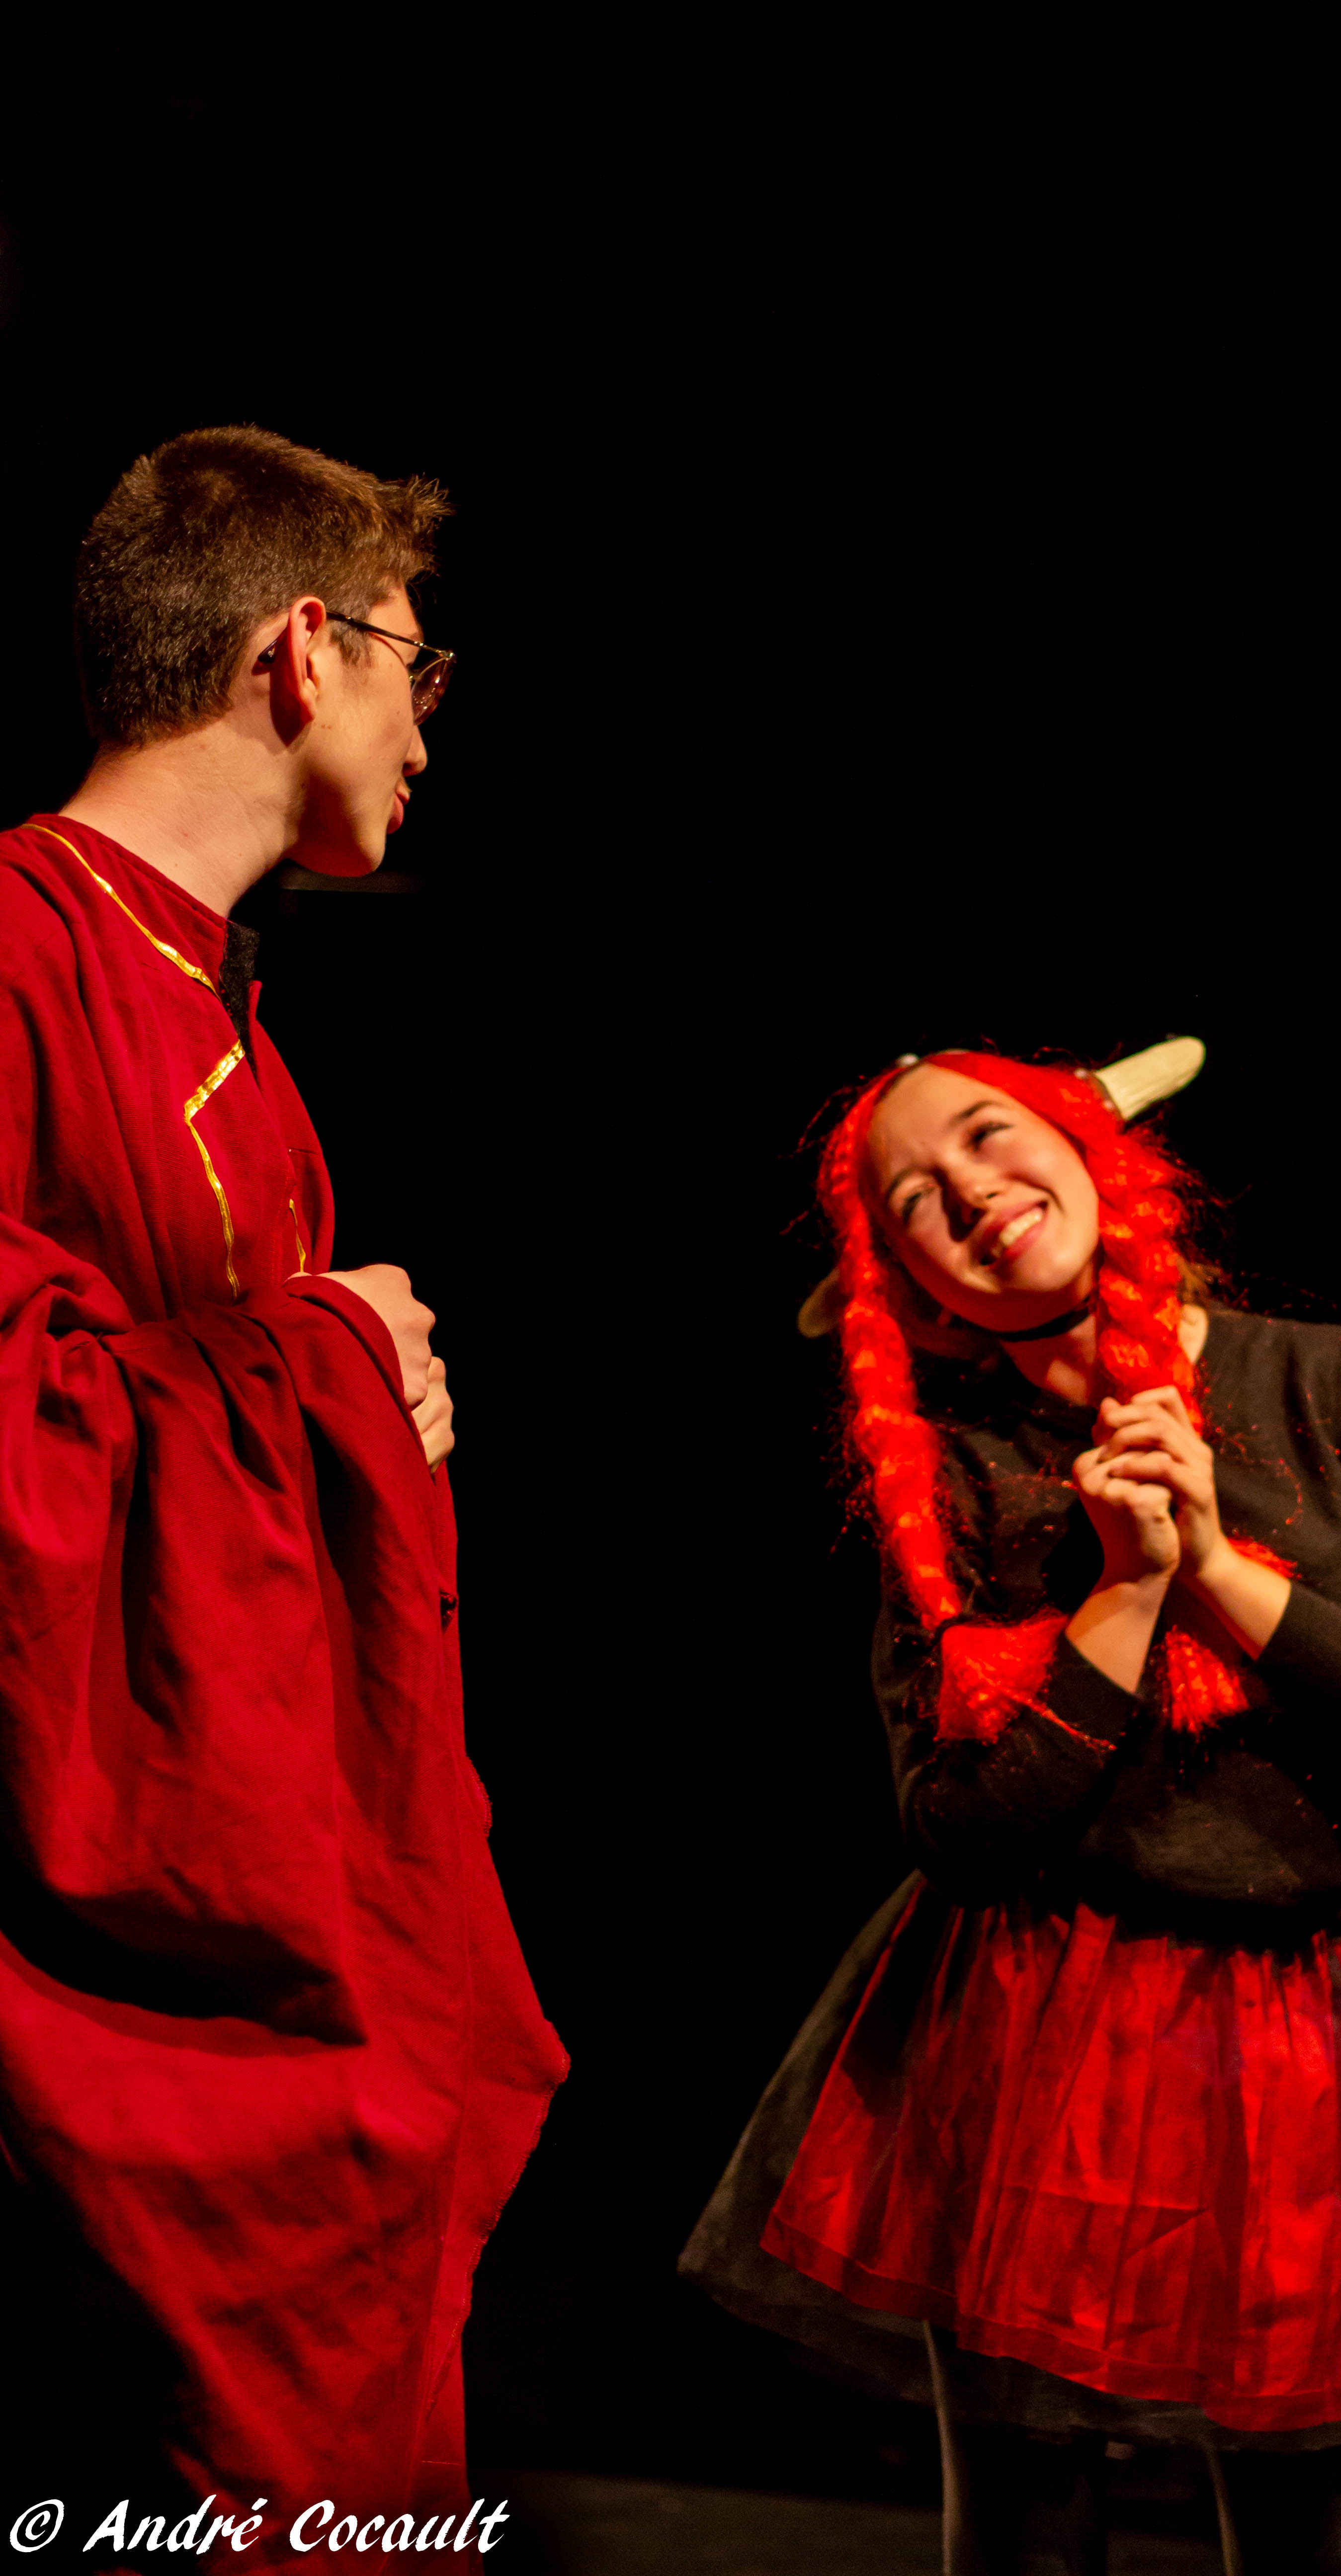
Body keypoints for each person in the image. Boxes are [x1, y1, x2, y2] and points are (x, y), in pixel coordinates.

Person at [682, 1046, 1341, 2575]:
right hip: (1038, 2019)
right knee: (1029, 2524)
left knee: (1315, 2524)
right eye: (917, 1200)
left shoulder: (1323, 1381)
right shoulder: (956, 1473)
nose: (972, 1193)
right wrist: (1127, 1598)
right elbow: (959, 1832)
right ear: (920, 1296)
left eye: (988, 1137)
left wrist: (1217, 1575)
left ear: (1089, 1145)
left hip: (1286, 2030)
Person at [0, 428, 566, 2546]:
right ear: (305, 649)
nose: (429, 729)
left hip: (294, 1878)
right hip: (98, 1991)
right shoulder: (17, 952)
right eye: (424, 665)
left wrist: (338, 1393)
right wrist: (322, 1363)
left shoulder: (224, 1019)